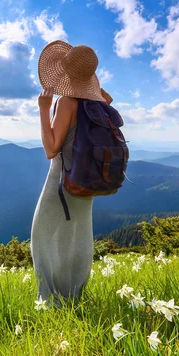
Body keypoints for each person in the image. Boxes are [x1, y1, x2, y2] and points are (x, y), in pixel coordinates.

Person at [31, 40, 113, 307]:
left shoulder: (67, 102)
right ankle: (75, 295)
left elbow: (51, 149)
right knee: (78, 236)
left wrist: (44, 109)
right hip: (87, 180)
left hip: (62, 181)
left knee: (42, 235)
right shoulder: (98, 103)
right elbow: (105, 105)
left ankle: (51, 299)